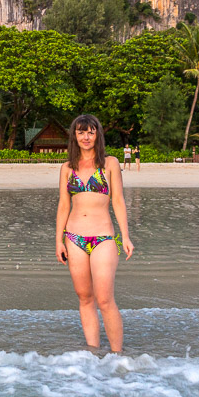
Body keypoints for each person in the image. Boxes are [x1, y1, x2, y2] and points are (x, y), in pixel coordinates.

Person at [56, 114, 134, 353]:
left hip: (104, 238)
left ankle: (117, 355)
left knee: (104, 299)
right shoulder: (67, 168)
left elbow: (118, 201)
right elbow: (63, 205)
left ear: (98, 134)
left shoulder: (109, 164)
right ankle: (92, 353)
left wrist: (126, 236)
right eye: (81, 132)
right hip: (74, 238)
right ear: (74, 136)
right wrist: (58, 240)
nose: (86, 137)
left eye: (90, 132)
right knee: (85, 298)